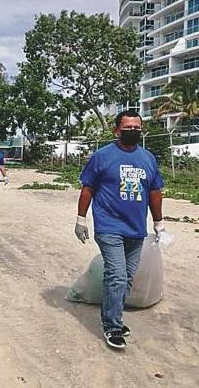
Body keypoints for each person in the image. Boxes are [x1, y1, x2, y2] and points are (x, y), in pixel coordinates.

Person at [74, 110, 165, 350]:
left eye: (137, 127)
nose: (133, 131)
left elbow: (155, 193)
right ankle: (112, 326)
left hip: (136, 230)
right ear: (116, 130)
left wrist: (159, 223)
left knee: (126, 278)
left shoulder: (148, 159)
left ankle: (111, 314)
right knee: (116, 274)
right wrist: (81, 218)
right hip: (109, 226)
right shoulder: (102, 157)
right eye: (128, 127)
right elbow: (88, 188)